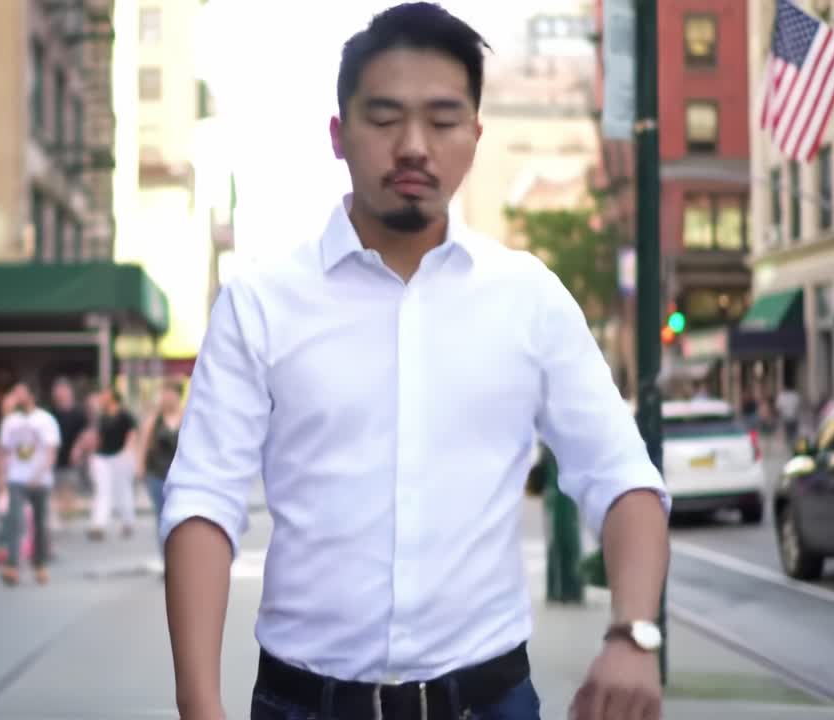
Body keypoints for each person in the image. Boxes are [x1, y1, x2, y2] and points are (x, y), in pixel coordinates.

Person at [158, 5, 670, 720]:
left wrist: (634, 635)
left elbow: (621, 478)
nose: (414, 146)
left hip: (488, 702)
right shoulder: (260, 303)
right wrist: (199, 707)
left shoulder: (529, 299)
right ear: (339, 134)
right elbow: (204, 502)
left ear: (475, 135)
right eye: (385, 117)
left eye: (443, 119)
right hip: (303, 703)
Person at [0, 379, 61, 585]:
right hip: (16, 477)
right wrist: (0, 476)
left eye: (20, 392)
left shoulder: (45, 420)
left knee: (40, 524)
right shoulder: (9, 422)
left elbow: (51, 451)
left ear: (31, 395)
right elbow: (4, 452)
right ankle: (12, 565)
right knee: (15, 521)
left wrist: (40, 474)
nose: (15, 396)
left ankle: (39, 564)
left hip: (39, 479)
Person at [85, 389, 139, 541]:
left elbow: (132, 434)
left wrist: (127, 453)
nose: (102, 397)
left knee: (123, 489)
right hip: (102, 457)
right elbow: (97, 436)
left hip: (120, 455)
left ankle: (128, 521)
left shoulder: (125, 415)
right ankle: (98, 524)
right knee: (103, 490)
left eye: (105, 395)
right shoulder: (101, 417)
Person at [137, 379, 184, 555]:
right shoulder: (155, 419)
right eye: (164, 394)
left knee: (180, 517)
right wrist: (140, 466)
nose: (166, 398)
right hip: (157, 473)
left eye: (169, 394)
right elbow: (144, 443)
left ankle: (180, 556)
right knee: (163, 516)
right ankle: (167, 557)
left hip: (181, 475)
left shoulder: (186, 416)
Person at [48, 378, 89, 528]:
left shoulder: (79, 413)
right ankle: (60, 515)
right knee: (57, 487)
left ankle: (68, 516)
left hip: (72, 455)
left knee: (69, 486)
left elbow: (85, 432)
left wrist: (78, 448)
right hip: (56, 455)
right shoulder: (52, 412)